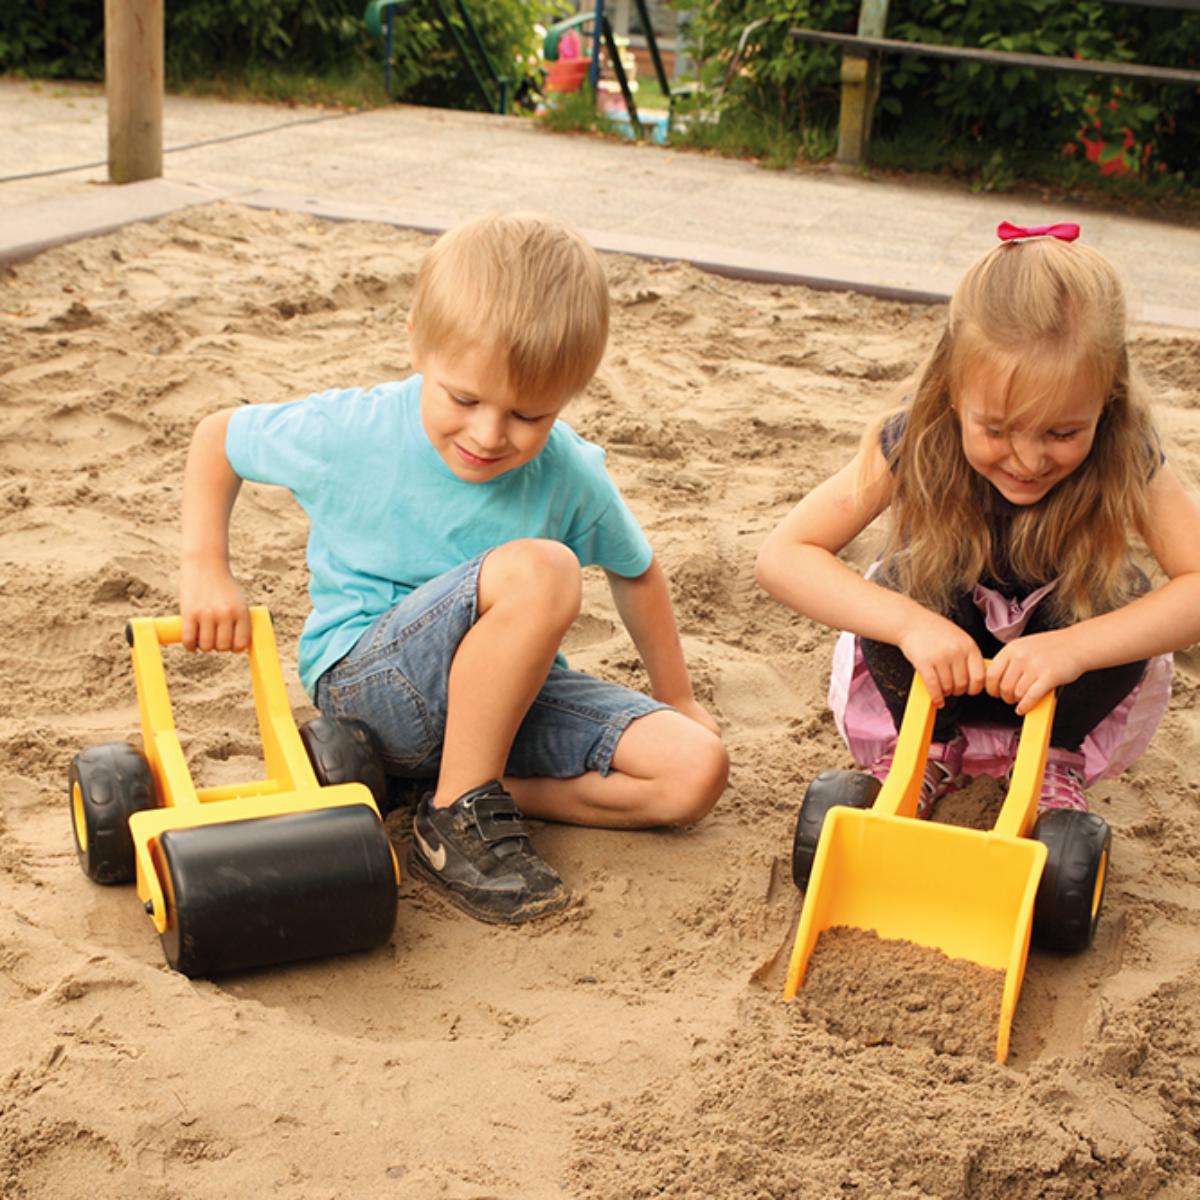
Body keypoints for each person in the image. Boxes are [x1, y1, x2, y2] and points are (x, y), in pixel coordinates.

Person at [178, 211, 728, 924]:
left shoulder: (569, 473)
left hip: (505, 706)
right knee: (543, 571)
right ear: (418, 344)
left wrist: (677, 697)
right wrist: (205, 567)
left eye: (530, 415)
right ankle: (456, 818)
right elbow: (219, 438)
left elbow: (637, 570)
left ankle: (458, 786)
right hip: (371, 685)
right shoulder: (356, 429)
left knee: (694, 772)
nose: (489, 435)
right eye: (464, 398)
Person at [756, 221, 1200, 816]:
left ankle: (1049, 762)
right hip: (936, 674)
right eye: (995, 429)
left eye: (1063, 432)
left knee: (1122, 595)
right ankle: (928, 751)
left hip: (1059, 683)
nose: (1027, 459)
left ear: (1109, 402)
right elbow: (784, 556)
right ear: (952, 391)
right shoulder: (918, 436)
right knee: (901, 582)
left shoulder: (1126, 450)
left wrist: (1074, 648)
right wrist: (911, 625)